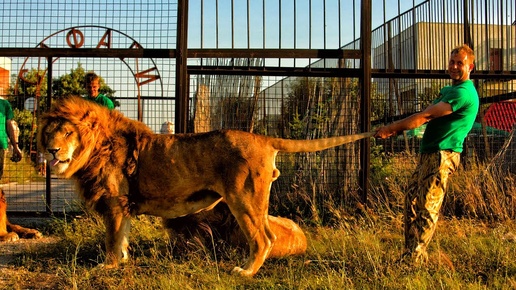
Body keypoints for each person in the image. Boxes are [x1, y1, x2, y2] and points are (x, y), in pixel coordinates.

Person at [374, 44, 479, 264]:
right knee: (411, 201)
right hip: (429, 153)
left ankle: (414, 261)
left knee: (428, 206)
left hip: (443, 155)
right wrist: (394, 129)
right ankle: (409, 253)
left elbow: (426, 116)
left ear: (470, 66)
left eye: (460, 63)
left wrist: (393, 128)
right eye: (452, 62)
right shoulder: (448, 90)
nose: (454, 66)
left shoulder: (464, 93)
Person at [0, 98, 22, 180]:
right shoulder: (4, 104)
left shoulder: (4, 104)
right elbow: (9, 126)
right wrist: (15, 147)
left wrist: (15, 147)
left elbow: (9, 126)